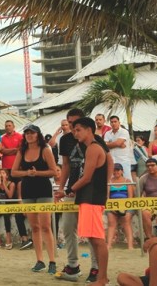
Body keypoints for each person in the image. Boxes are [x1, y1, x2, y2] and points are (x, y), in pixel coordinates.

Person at [54, 108, 100, 283]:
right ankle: (73, 265)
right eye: (70, 122)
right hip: (71, 189)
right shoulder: (65, 139)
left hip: (90, 191)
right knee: (67, 228)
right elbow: (65, 165)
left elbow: (106, 162)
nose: (73, 127)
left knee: (91, 231)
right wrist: (61, 188)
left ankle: (96, 267)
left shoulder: (94, 140)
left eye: (76, 123)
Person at [11, 124, 57, 274]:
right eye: (27, 133)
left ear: (38, 135)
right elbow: (14, 172)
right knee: (35, 227)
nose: (29, 135)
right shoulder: (22, 151)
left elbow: (54, 171)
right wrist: (27, 173)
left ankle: (52, 261)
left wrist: (37, 173)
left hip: (43, 189)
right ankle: (39, 260)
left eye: (32, 133)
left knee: (46, 226)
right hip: (28, 190)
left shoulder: (45, 149)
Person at [70, 117, 111, 286]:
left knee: (98, 240)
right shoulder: (93, 148)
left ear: (89, 130)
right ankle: (102, 277)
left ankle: (102, 278)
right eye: (74, 130)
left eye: (78, 130)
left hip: (92, 198)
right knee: (94, 240)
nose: (75, 133)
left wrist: (68, 190)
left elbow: (86, 178)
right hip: (91, 197)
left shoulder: (93, 148)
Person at [107, 164, 134, 250]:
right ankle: (109, 244)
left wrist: (124, 209)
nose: (116, 172)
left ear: (122, 171)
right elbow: (107, 197)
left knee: (126, 220)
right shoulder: (109, 181)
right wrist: (113, 209)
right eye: (114, 170)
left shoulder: (127, 181)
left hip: (126, 204)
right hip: (112, 205)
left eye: (118, 170)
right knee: (111, 221)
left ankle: (130, 245)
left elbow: (130, 197)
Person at [104, 115, 133, 180]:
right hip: (111, 160)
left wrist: (111, 144)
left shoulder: (124, 132)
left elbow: (117, 143)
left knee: (127, 179)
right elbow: (104, 146)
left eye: (115, 121)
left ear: (119, 122)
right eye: (112, 122)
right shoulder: (107, 133)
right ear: (110, 123)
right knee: (111, 180)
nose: (113, 123)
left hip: (123, 160)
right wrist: (117, 144)